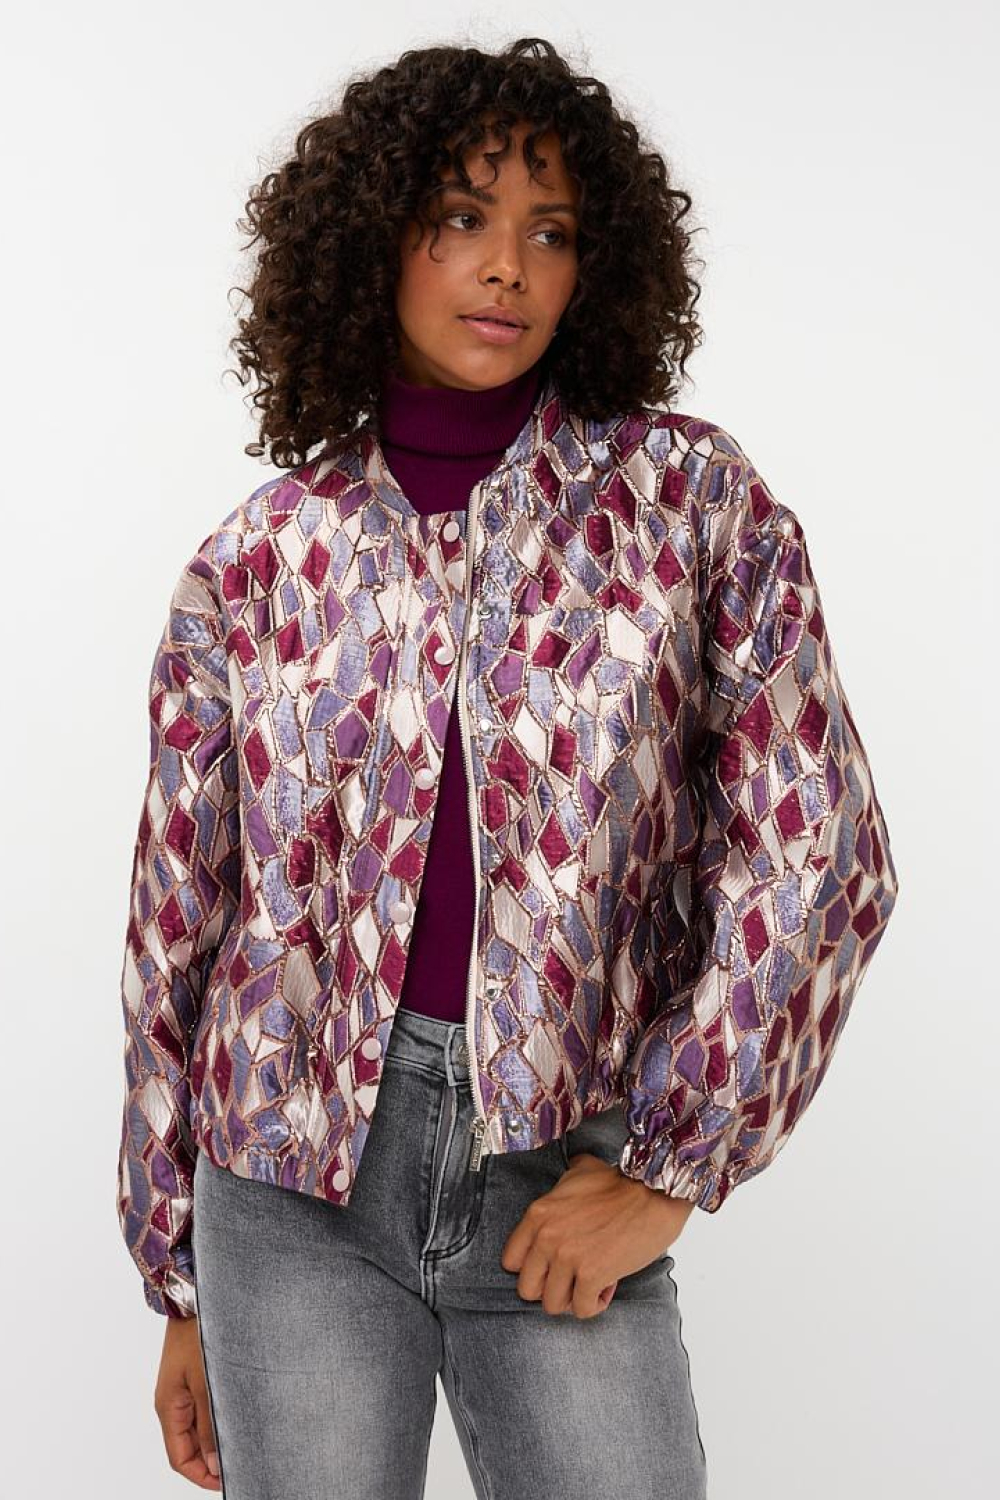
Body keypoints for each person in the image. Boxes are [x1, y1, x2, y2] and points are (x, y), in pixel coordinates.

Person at [116, 35, 899, 1500]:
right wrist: (178, 1280)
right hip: (284, 1196)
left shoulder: (688, 505)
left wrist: (664, 1169)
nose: (507, 268)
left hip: (558, 1173)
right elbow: (179, 922)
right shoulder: (257, 562)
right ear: (373, 240)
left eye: (552, 233)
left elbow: (820, 849)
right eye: (463, 218)